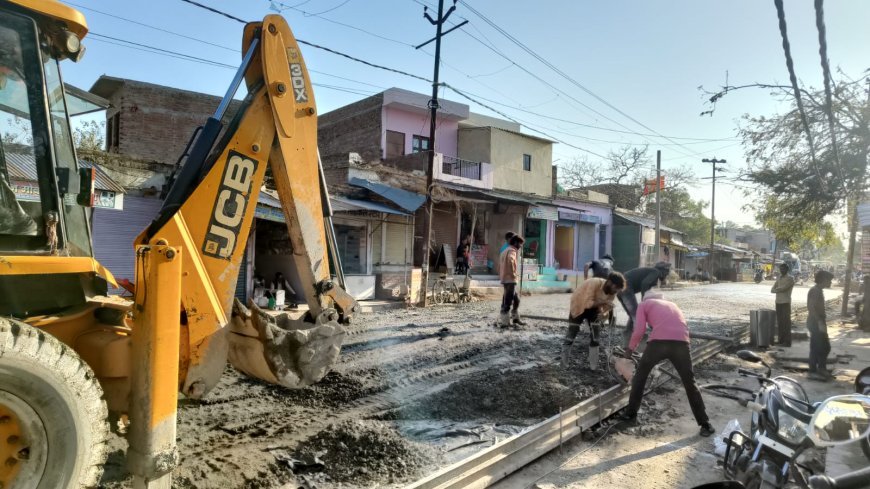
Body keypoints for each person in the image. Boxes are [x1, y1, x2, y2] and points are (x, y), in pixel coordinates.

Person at [619, 291, 715, 437]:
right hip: (682, 343)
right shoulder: (672, 305)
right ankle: (705, 424)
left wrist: (629, 350)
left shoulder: (644, 304)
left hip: (659, 343)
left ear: (646, 299)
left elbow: (639, 330)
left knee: (640, 376)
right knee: (690, 382)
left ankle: (630, 415)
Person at [562, 272, 626, 370]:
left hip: (595, 308)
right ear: (609, 282)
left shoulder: (612, 293)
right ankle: (563, 363)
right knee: (572, 333)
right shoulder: (594, 283)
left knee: (596, 337)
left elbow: (605, 310)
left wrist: (604, 314)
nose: (616, 292)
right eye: (615, 288)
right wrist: (604, 302)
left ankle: (593, 366)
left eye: (618, 290)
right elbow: (588, 303)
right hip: (579, 304)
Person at [616, 262, 671, 342]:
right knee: (636, 314)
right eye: (667, 272)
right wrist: (644, 301)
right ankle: (638, 337)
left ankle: (628, 333)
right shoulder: (655, 272)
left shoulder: (651, 272)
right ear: (663, 270)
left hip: (620, 288)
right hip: (625, 286)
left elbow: (646, 287)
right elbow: (645, 284)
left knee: (633, 314)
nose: (667, 274)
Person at [807, 270, 834, 381]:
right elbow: (811, 307)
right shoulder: (815, 291)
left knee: (815, 346)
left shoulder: (818, 290)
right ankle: (821, 368)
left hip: (816, 321)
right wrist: (819, 322)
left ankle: (813, 368)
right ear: (824, 280)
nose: (831, 283)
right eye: (829, 280)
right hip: (816, 321)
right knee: (824, 347)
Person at [498, 235, 526, 327]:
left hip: (505, 279)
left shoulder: (504, 251)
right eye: (520, 244)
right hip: (510, 279)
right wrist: (513, 273)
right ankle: (505, 322)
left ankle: (515, 318)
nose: (520, 246)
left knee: (516, 300)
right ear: (515, 243)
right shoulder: (512, 251)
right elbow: (510, 260)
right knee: (508, 302)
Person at [770, 263, 794, 346]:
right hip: (778, 302)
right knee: (780, 322)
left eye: (783, 269)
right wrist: (778, 289)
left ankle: (787, 342)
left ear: (787, 270)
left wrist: (777, 289)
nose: (781, 270)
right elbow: (772, 290)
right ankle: (781, 340)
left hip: (786, 302)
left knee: (786, 322)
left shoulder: (790, 278)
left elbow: (784, 289)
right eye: (781, 269)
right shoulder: (779, 278)